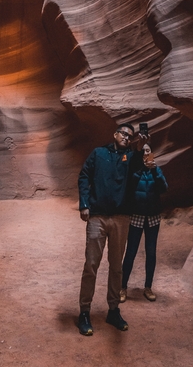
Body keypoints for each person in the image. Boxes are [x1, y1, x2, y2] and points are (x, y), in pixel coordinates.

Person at [77, 122, 147, 336]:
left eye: (130, 135)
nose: (126, 137)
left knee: (116, 266)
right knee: (91, 265)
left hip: (121, 218)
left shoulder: (131, 158)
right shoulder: (99, 153)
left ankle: (113, 310)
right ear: (115, 134)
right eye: (124, 133)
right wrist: (84, 204)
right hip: (97, 216)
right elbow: (84, 176)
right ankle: (84, 312)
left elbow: (140, 167)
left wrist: (141, 147)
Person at [120, 143, 168, 303]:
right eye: (143, 151)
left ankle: (148, 287)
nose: (146, 153)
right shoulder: (134, 169)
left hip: (152, 216)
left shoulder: (156, 169)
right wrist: (141, 168)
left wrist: (154, 169)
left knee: (151, 252)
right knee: (131, 252)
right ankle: (123, 287)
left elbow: (163, 188)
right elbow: (129, 187)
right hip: (137, 215)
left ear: (152, 153)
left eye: (148, 150)